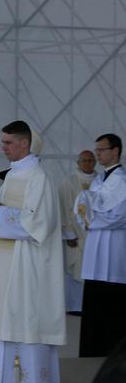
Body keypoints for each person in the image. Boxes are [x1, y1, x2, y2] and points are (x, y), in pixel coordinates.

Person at [0, 122, 64, 383]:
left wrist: (1, 213)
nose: (2, 148)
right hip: (5, 261)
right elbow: (1, 219)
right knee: (1, 320)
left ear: (24, 144)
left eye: (8, 143)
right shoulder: (11, 178)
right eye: (2, 142)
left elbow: (40, 223)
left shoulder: (39, 178)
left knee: (23, 319)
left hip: (28, 265)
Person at [77, 133, 126, 356]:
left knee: (113, 304)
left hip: (115, 247)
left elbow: (118, 216)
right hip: (95, 247)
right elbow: (84, 210)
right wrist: (89, 217)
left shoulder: (122, 181)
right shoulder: (98, 180)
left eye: (102, 150)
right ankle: (92, 350)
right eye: (96, 150)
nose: (97, 154)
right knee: (95, 300)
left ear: (115, 151)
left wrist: (93, 220)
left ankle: (112, 352)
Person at [58, 149, 96, 313]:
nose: (87, 163)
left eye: (90, 160)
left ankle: (90, 305)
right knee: (73, 269)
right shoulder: (69, 181)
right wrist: (69, 234)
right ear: (78, 163)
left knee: (93, 270)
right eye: (84, 160)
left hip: (94, 235)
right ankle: (74, 305)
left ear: (94, 162)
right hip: (75, 235)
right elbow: (63, 208)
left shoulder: (100, 181)